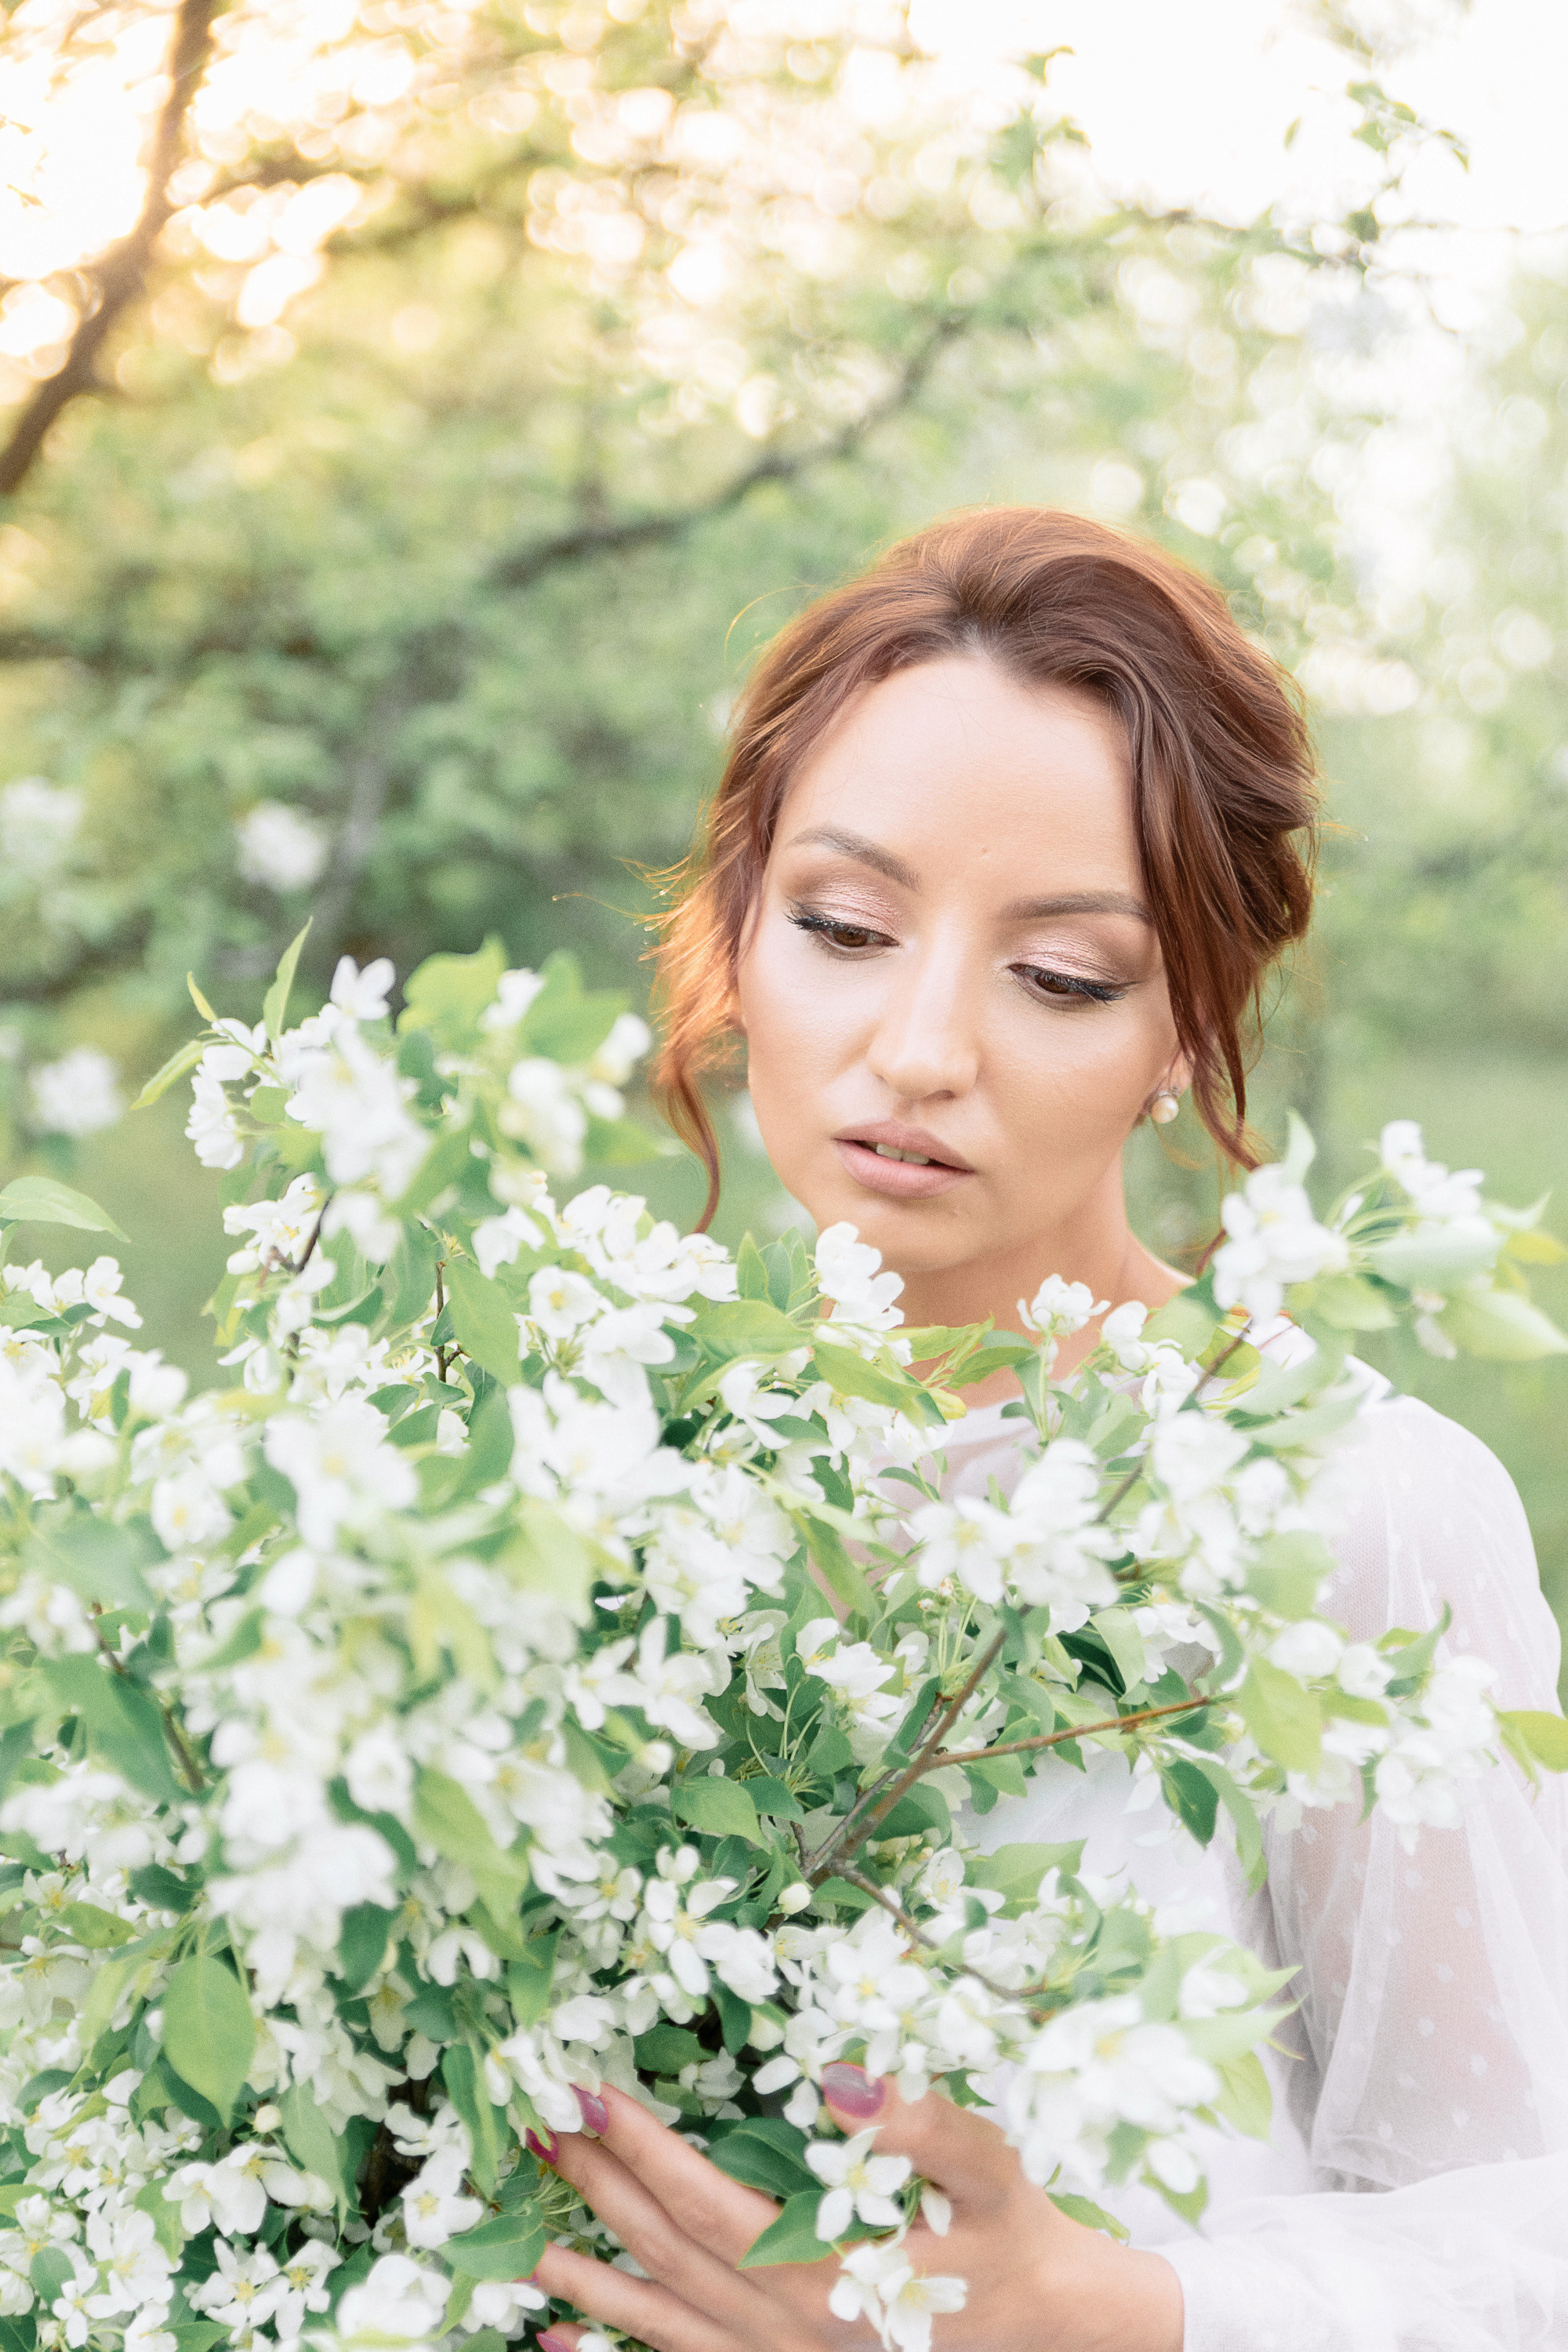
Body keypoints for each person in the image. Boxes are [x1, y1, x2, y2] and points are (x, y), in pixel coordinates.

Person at [521, 510, 1568, 2350]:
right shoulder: (563, 1452)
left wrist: (1110, 2312)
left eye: (1062, 976)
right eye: (843, 928)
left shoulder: (1341, 1512)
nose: (921, 1046)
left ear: (1185, 1032)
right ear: (738, 933)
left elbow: (1526, 2237)